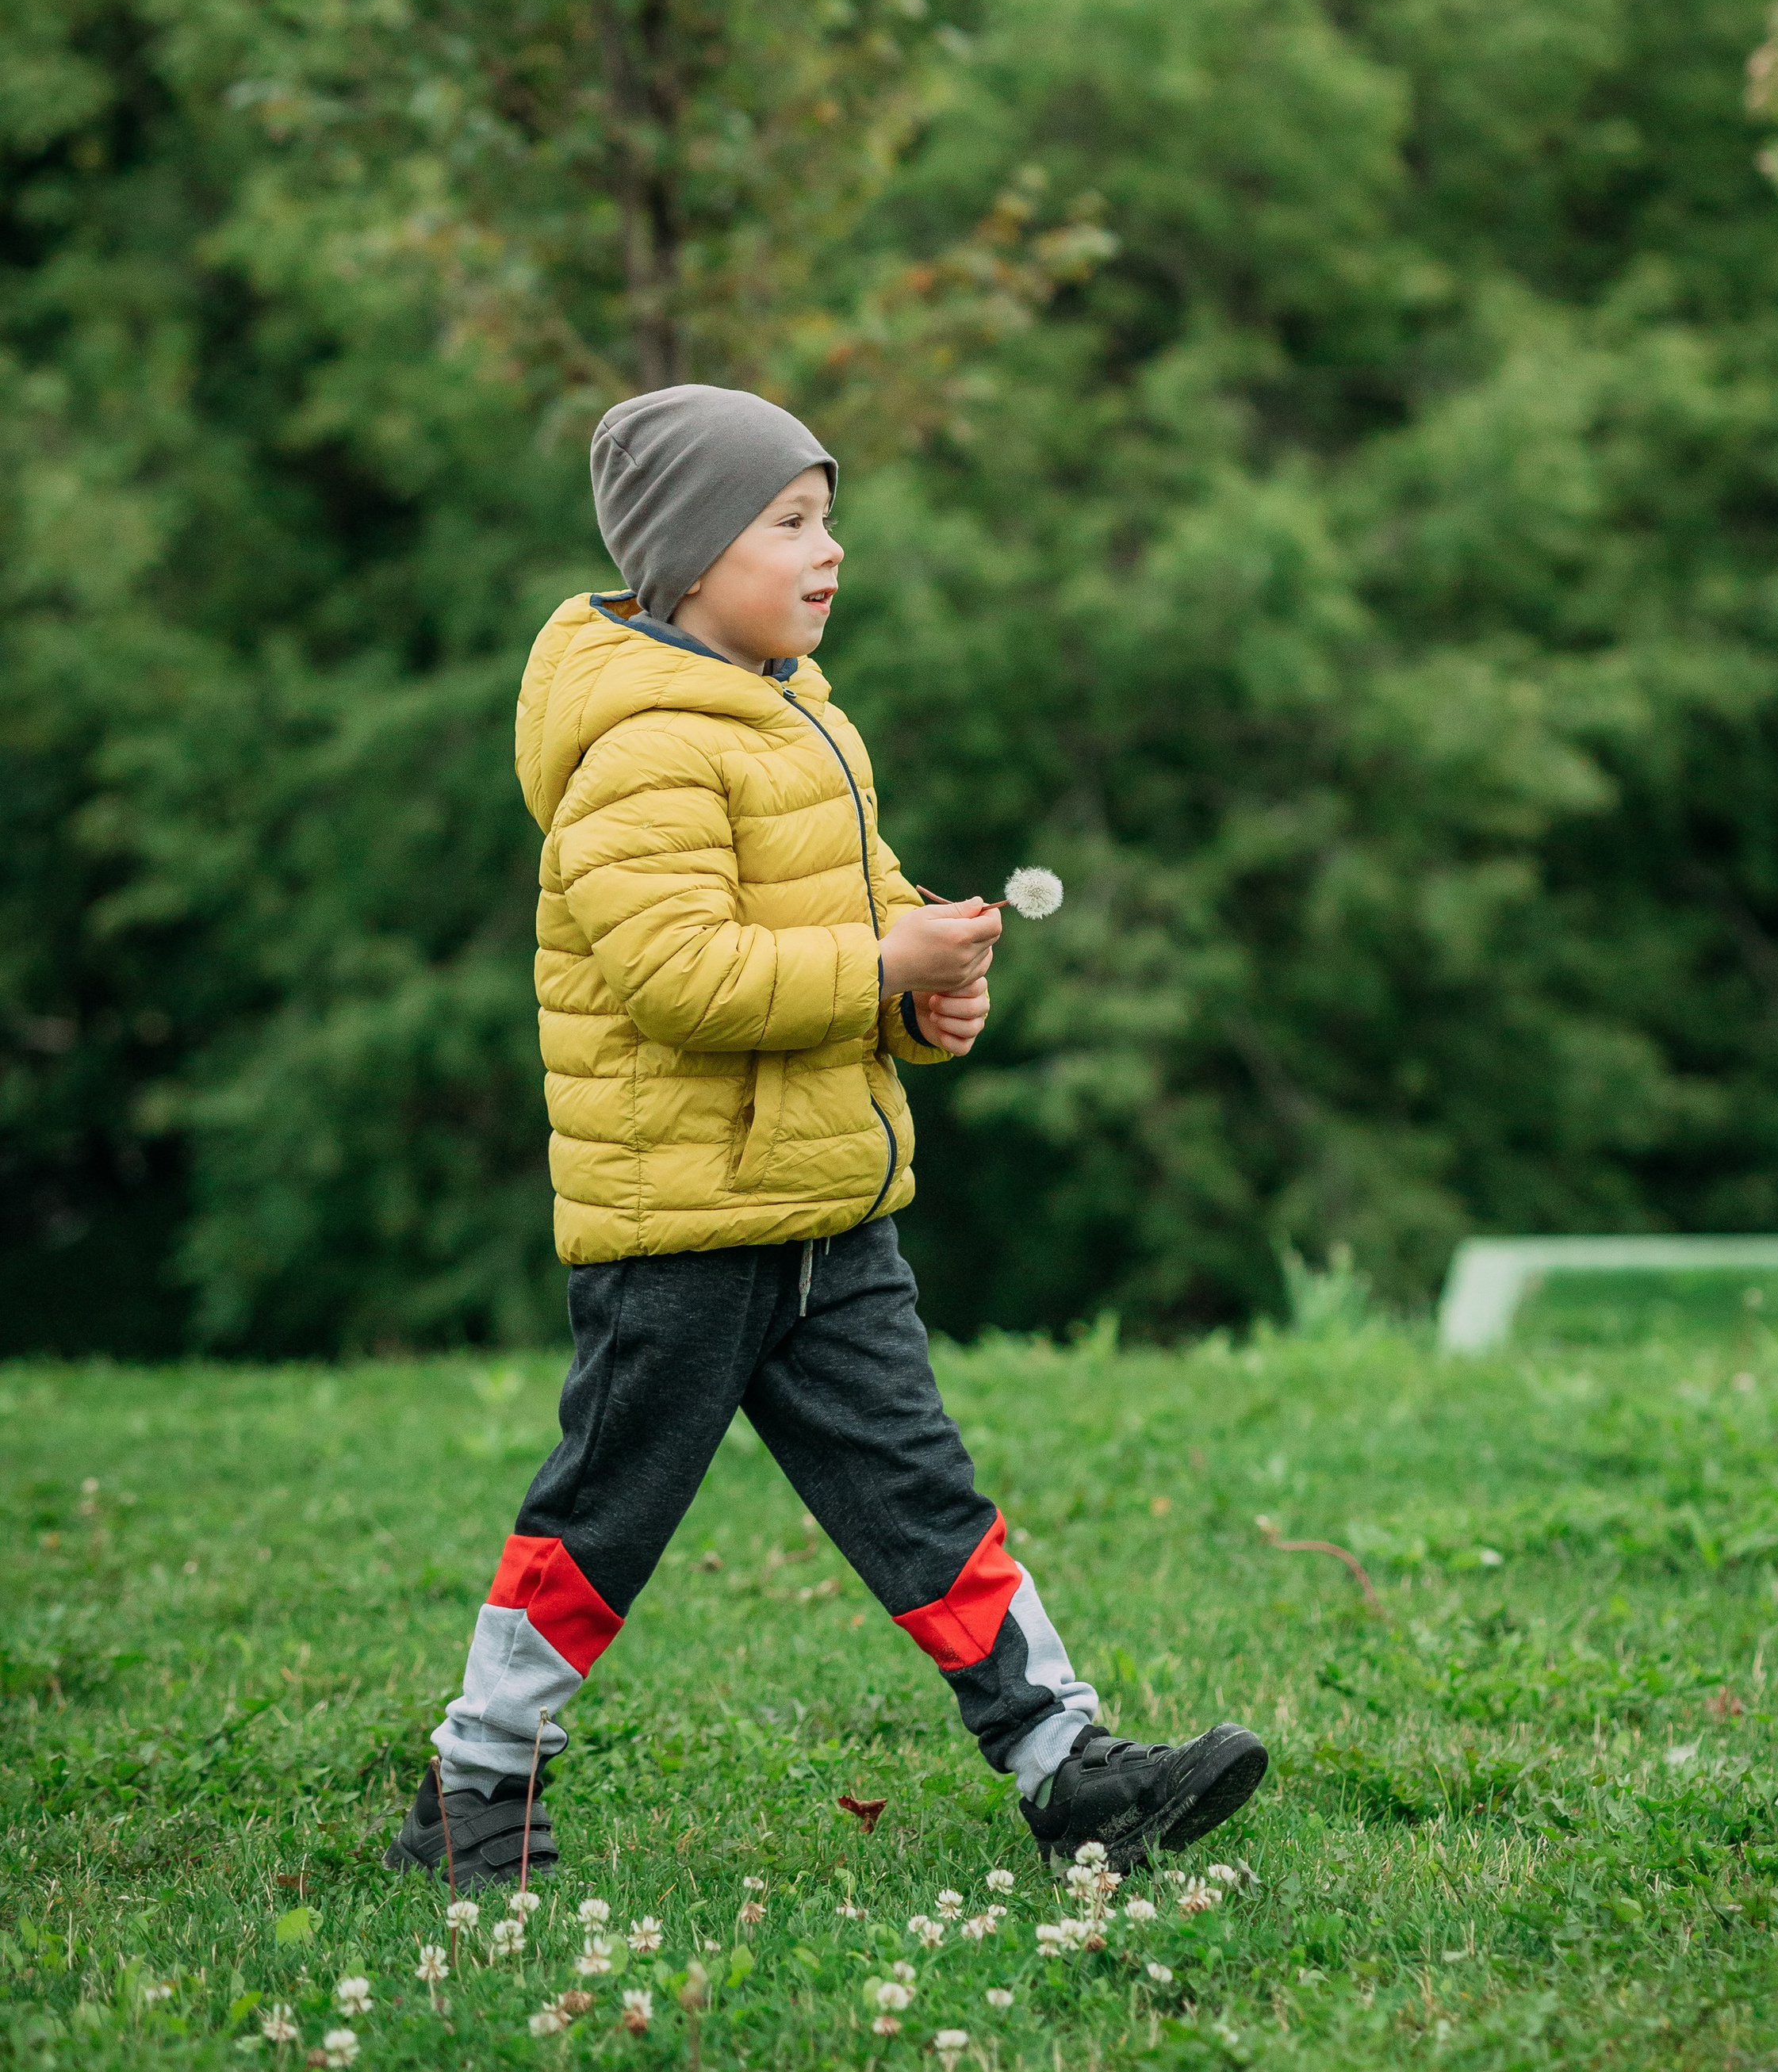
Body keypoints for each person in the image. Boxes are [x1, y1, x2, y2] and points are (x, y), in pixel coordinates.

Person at [385, 384, 1266, 1890]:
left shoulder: (795, 712)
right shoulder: (642, 746)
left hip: (827, 1209)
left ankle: (1069, 1767)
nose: (829, 547)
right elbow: (684, 978)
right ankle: (475, 1784)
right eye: (789, 521)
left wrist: (921, 986)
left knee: (926, 1495)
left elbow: (848, 915)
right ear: (687, 555)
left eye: (826, 516)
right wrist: (877, 966)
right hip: (683, 1226)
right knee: (603, 1517)